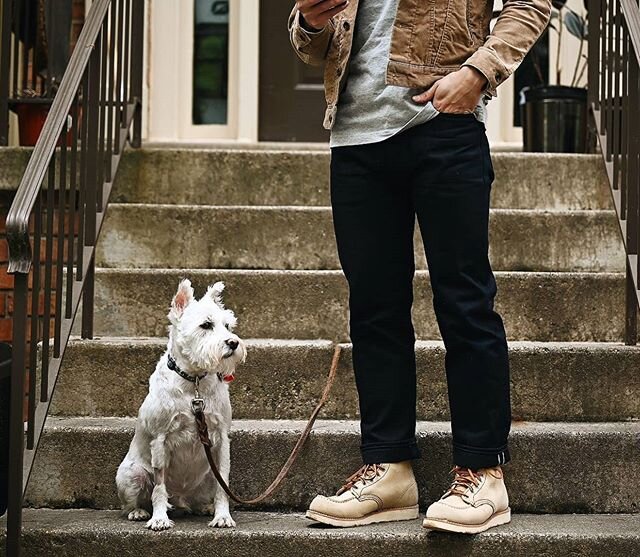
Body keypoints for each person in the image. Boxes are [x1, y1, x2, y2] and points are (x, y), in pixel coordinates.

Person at [288, 0, 552, 534]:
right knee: (373, 309)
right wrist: (309, 21)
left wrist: (478, 72)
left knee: (465, 302)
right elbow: (316, 42)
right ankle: (390, 470)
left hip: (444, 126)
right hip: (355, 137)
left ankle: (482, 471)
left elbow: (531, 4)